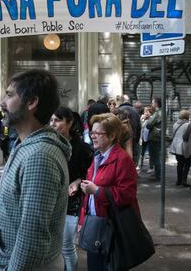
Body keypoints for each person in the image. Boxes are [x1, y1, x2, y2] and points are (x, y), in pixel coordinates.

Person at [0, 69, 71, 271]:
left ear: (31, 102)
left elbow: (32, 234)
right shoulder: (27, 145)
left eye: (9, 94)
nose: (2, 103)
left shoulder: (39, 156)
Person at [79, 113, 139, 271]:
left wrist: (97, 191)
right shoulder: (97, 157)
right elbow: (92, 187)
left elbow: (127, 195)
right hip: (96, 224)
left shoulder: (123, 160)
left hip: (112, 228)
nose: (93, 137)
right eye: (92, 132)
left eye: (97, 133)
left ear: (112, 135)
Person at [50, 107, 93, 271]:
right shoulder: (49, 144)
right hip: (51, 202)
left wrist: (78, 181)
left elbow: (91, 174)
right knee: (55, 247)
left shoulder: (82, 148)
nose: (53, 124)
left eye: (58, 120)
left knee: (67, 246)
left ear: (69, 123)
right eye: (52, 120)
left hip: (71, 203)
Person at [169, 110, 191, 187]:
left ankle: (179, 180)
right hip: (184, 146)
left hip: (176, 146)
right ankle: (184, 180)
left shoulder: (175, 124)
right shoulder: (187, 125)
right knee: (187, 163)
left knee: (180, 164)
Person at [118, 94, 141, 165]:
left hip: (121, 139)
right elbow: (139, 126)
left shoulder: (119, 110)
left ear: (122, 100)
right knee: (132, 156)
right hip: (133, 137)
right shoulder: (135, 110)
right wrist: (137, 138)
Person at [146, 97, 162, 181]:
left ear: (156, 103)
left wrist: (149, 119)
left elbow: (148, 124)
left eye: (152, 103)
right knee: (157, 156)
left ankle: (158, 176)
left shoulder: (157, 113)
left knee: (156, 157)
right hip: (158, 137)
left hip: (154, 137)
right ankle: (157, 174)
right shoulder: (161, 112)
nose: (152, 104)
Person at [140, 106, 153, 172]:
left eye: (147, 111)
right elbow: (140, 126)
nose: (145, 113)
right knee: (141, 153)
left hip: (150, 138)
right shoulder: (142, 118)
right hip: (143, 138)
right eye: (145, 111)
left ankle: (151, 167)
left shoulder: (152, 118)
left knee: (151, 153)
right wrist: (142, 120)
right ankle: (140, 166)